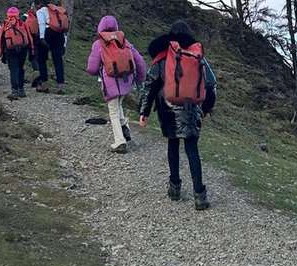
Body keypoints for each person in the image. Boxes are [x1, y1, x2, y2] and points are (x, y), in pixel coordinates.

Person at [138, 20, 216, 210]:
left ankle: (174, 188)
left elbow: (150, 86)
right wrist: (205, 109)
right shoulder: (197, 57)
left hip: (168, 109)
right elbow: (211, 84)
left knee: (173, 145)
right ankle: (199, 195)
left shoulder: (164, 56)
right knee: (192, 149)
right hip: (192, 109)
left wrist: (144, 112)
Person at [85, 15, 147, 154]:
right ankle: (125, 129)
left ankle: (120, 142)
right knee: (118, 105)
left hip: (110, 82)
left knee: (113, 111)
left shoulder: (99, 43)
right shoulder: (125, 41)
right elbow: (140, 62)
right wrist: (140, 79)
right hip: (126, 81)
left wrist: (98, 73)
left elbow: (92, 68)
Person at [33, 0, 68, 94]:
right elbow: (64, 28)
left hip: (48, 33)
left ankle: (44, 84)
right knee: (58, 60)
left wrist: (42, 38)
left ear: (39, 4)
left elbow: (41, 24)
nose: (35, 7)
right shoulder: (56, 11)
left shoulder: (41, 11)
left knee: (41, 59)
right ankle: (60, 86)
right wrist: (64, 44)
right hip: (59, 35)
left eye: (36, 5)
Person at [0, 6, 33, 100]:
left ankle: (14, 90)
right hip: (22, 49)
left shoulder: (5, 25)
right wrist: (31, 51)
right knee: (21, 68)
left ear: (8, 14)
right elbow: (29, 38)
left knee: (13, 69)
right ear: (18, 14)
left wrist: (2, 54)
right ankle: (21, 89)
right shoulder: (23, 23)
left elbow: (1, 40)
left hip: (10, 50)